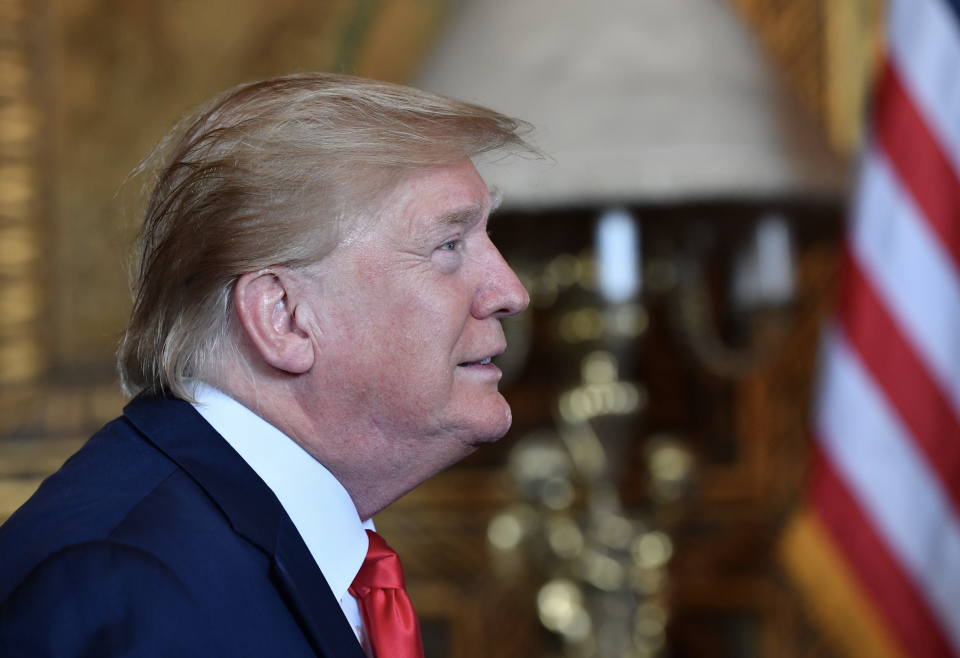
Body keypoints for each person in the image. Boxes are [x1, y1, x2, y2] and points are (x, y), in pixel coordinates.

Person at [0, 73, 533, 657]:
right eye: (449, 245)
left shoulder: (226, 548)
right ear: (284, 317)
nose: (510, 292)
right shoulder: (119, 586)